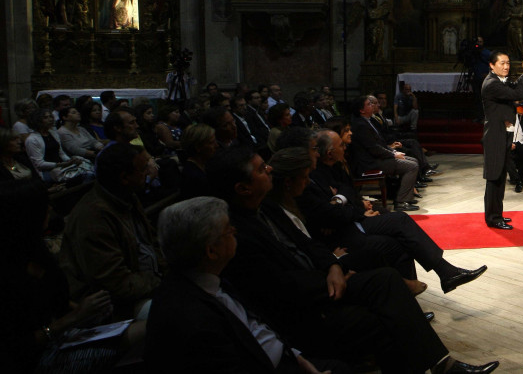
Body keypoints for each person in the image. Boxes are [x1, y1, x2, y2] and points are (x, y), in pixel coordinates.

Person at [207, 146, 500, 374]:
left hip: (324, 277)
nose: (268, 169)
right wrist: (332, 275)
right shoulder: (236, 231)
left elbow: (309, 245)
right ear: (242, 188)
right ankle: (439, 362)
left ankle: (442, 363)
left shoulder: (265, 209)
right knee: (385, 319)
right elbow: (278, 286)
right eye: (260, 169)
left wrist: (335, 265)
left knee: (386, 278)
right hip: (303, 309)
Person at [146, 196, 346, 373]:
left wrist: (296, 357)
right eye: (228, 230)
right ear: (211, 251)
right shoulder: (193, 321)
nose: (235, 230)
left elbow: (254, 326)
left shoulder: (209, 277)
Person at [307, 129, 486, 293]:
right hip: (347, 231)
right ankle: (444, 273)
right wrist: (356, 210)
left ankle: (437, 279)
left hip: (352, 220)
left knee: (400, 233)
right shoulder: (315, 175)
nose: (346, 147)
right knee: (400, 221)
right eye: (342, 145)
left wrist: (340, 199)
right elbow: (331, 214)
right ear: (329, 153)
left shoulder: (334, 167)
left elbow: (347, 192)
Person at [0, 182, 144, 373]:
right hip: (37, 358)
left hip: (63, 333)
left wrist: (92, 310)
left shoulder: (35, 250)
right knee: (152, 328)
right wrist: (76, 316)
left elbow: (57, 301)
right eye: (44, 206)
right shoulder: (7, 274)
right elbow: (17, 347)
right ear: (27, 215)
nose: (50, 209)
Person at [59, 143, 164, 320]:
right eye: (143, 168)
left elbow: (151, 242)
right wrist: (161, 281)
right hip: (114, 306)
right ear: (124, 177)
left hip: (147, 282)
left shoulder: (126, 195)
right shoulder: (93, 217)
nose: (149, 171)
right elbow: (116, 285)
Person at [481, 51, 523, 229]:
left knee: (501, 177)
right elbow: (518, 93)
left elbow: (515, 89)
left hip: (504, 134)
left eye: (508, 63)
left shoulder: (500, 81)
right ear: (492, 65)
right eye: (502, 63)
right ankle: (493, 218)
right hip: (495, 136)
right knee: (494, 177)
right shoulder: (491, 84)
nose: (506, 66)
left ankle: (497, 214)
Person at [351, 95, 422, 211]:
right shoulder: (360, 125)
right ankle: (401, 201)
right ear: (361, 110)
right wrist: (393, 155)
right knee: (412, 166)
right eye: (369, 104)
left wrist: (393, 150)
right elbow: (373, 148)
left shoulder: (368, 121)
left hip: (377, 158)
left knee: (413, 160)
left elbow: (380, 143)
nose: (373, 106)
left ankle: (404, 197)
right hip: (370, 163)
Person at [178, 124, 218, 200]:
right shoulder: (193, 177)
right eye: (211, 142)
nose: (216, 145)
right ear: (198, 147)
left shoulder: (205, 165)